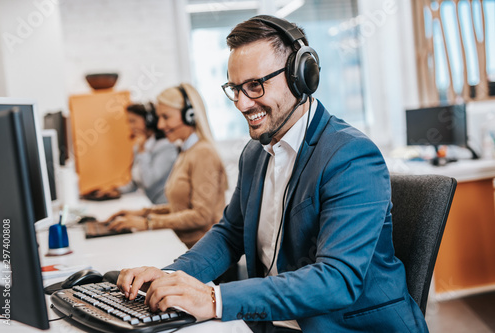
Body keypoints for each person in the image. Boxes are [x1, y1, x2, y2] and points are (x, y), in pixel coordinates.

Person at [116, 15, 429, 332]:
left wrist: (215, 299)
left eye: (255, 85)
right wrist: (170, 277)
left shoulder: (350, 156)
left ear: (301, 77)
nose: (241, 103)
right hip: (270, 322)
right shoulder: (255, 153)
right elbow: (230, 234)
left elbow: (337, 280)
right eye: (235, 88)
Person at [107, 83, 228, 249]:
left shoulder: (203, 153)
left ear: (189, 115)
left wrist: (148, 223)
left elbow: (201, 216)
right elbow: (181, 208)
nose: (160, 125)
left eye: (166, 117)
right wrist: (142, 213)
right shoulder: (187, 151)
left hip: (203, 251)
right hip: (187, 245)